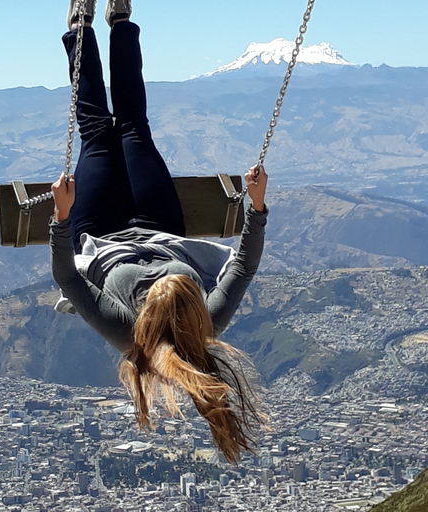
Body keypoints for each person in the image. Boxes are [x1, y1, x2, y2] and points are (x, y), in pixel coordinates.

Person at [49, 0, 268, 463]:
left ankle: (81, 27)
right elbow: (245, 266)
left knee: (96, 131)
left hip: (101, 232)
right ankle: (121, 21)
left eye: (152, 289)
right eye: (179, 281)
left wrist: (62, 219)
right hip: (159, 224)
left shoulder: (127, 332)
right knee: (132, 130)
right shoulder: (207, 318)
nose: (155, 278)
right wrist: (258, 206)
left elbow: (69, 279)